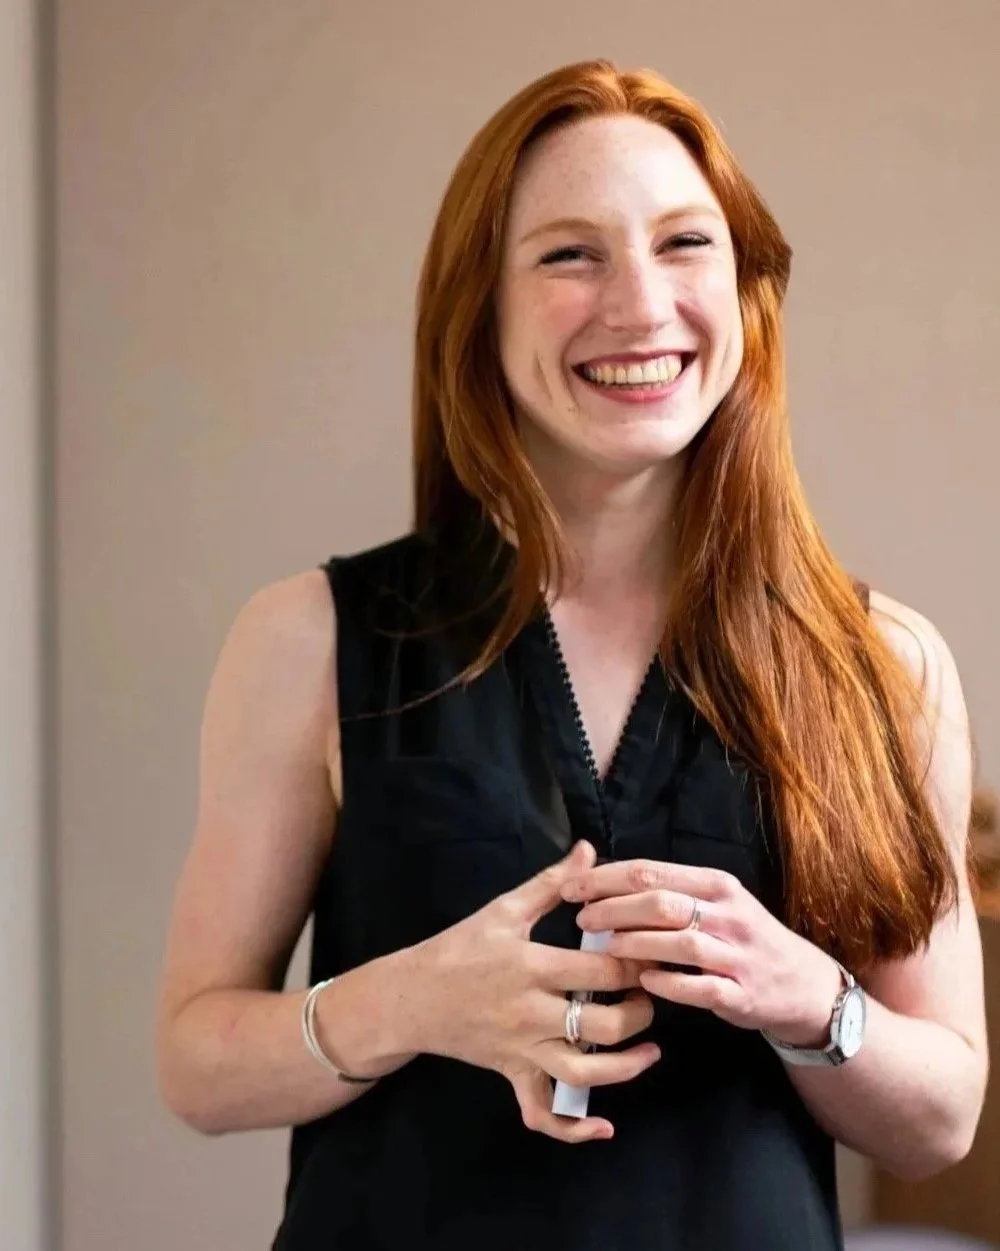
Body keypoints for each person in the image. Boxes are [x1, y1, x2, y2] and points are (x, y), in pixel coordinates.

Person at [155, 59, 988, 1251]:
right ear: (476, 311)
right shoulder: (308, 640)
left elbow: (942, 1118)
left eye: (683, 244)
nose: (640, 306)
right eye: (569, 255)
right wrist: (409, 1003)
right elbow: (194, 1061)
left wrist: (812, 1001)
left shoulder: (887, 666)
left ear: (747, 291)